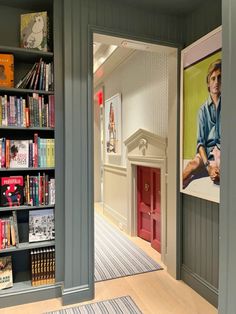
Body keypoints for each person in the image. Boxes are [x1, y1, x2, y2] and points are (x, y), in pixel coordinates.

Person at [183, 58, 221, 188]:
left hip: (223, 152)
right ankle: (173, 190)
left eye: (220, 78)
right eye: (213, 78)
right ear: (208, 83)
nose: (217, 82)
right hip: (206, 153)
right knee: (191, 165)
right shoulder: (202, 110)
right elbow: (200, 144)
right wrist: (208, 166)